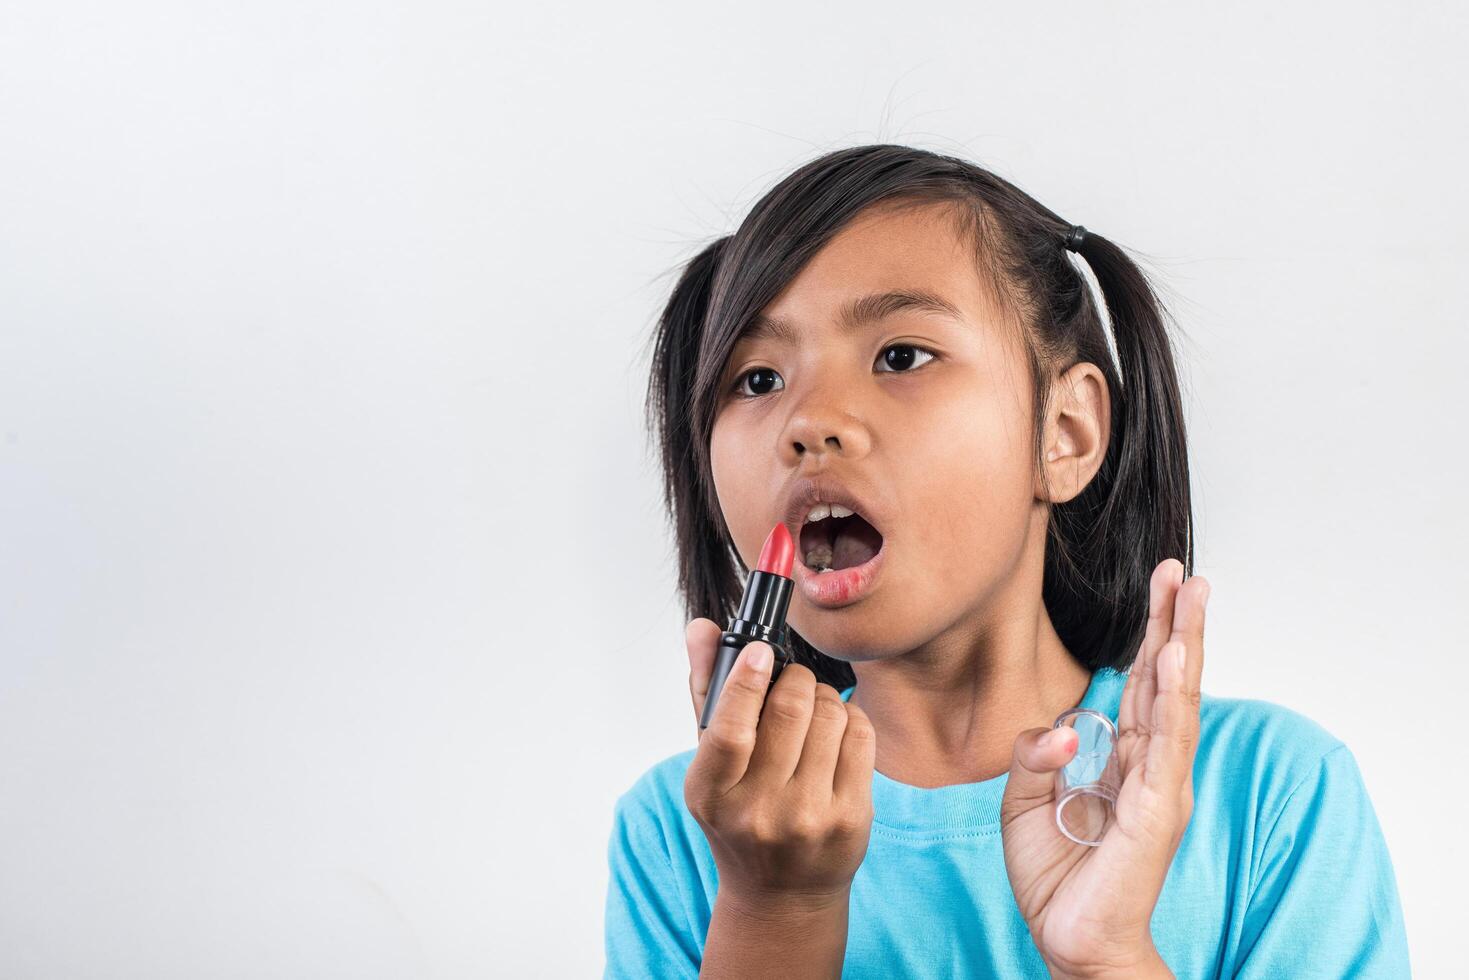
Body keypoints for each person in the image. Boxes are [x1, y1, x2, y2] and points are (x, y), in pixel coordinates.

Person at [605, 144, 1410, 978]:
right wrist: (774, 912)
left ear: (1064, 434)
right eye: (759, 378)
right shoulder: (682, 832)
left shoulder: (1268, 794)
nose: (808, 421)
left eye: (900, 356)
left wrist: (1106, 957)